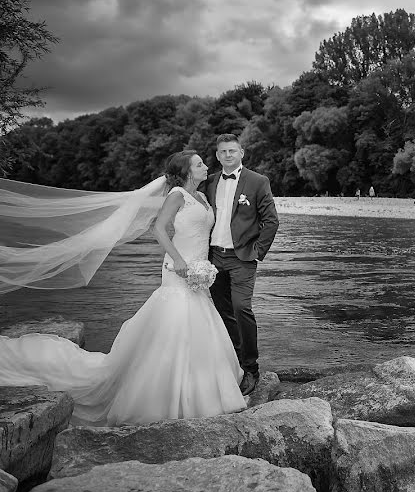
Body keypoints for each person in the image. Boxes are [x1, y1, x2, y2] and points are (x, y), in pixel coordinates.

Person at [0, 151, 247, 426]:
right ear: (187, 171)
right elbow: (158, 229)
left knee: (201, 322)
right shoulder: (177, 194)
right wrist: (178, 259)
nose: (205, 166)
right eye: (199, 164)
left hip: (199, 272)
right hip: (178, 269)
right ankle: (168, 396)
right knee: (179, 321)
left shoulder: (201, 196)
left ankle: (202, 390)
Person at [201, 134, 279, 396]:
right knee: (223, 312)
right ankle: (232, 361)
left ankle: (251, 368)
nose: (228, 155)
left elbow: (271, 221)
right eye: (223, 152)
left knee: (241, 307)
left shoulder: (258, 181)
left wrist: (258, 251)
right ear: (217, 155)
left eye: (232, 151)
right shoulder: (210, 181)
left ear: (242, 153)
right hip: (213, 257)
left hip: (242, 257)